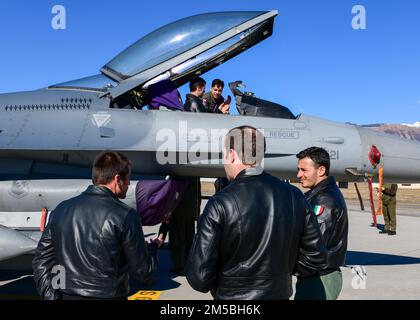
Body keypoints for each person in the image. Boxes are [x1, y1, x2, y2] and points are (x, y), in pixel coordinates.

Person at [186, 126, 327, 300]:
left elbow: (199, 278)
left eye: (223, 155)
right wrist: (279, 273)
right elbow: (316, 257)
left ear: (231, 154)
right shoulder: (294, 195)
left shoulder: (220, 203)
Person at [32, 151, 157, 300]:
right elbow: (143, 272)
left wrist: (51, 296)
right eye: (128, 178)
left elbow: (41, 260)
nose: (129, 184)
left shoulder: (61, 209)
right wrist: (153, 250)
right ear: (118, 179)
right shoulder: (125, 215)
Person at [295, 147, 348, 300]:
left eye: (304, 170)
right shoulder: (319, 194)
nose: (299, 175)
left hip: (319, 278)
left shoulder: (325, 200)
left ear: (321, 170)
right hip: (315, 276)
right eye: (298, 169)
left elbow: (315, 245)